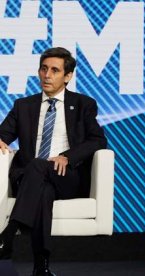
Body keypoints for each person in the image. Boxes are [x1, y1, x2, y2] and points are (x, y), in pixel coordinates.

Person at [0, 47, 107, 275]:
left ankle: (10, 233)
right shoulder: (23, 105)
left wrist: (67, 157)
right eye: (44, 69)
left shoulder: (83, 104)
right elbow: (3, 134)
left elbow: (98, 140)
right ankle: (42, 266)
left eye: (55, 70)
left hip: (66, 177)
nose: (47, 75)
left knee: (40, 166)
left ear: (67, 76)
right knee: (43, 189)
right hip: (30, 178)